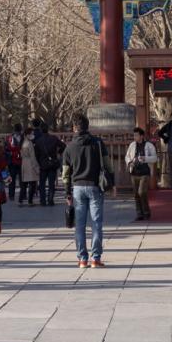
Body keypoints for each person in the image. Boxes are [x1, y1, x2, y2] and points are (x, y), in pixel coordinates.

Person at [62, 113, 112, 268]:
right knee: (96, 223)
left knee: (80, 225)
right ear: (88, 126)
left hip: (77, 188)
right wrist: (112, 183)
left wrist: (67, 192)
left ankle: (82, 259)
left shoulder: (69, 147)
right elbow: (108, 165)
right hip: (95, 186)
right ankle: (95, 258)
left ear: (74, 128)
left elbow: (65, 174)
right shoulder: (98, 143)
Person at [124, 127, 158, 221]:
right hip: (134, 172)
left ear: (141, 136)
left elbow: (155, 158)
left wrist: (145, 158)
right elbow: (127, 156)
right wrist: (129, 162)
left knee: (142, 192)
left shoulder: (149, 145)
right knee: (136, 194)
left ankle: (146, 212)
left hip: (145, 172)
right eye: (134, 135)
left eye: (136, 135)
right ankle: (139, 213)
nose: (134, 137)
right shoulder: (132, 145)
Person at [34, 122, 65, 207]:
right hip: (52, 163)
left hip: (43, 164)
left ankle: (43, 201)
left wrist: (39, 162)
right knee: (51, 183)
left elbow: (36, 154)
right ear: (47, 129)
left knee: (42, 184)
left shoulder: (38, 141)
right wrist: (58, 153)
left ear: (41, 130)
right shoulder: (54, 138)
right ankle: (50, 200)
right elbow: (63, 145)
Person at [4, 123, 24, 205]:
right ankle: (23, 195)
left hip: (12, 160)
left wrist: (10, 154)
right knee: (22, 179)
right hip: (21, 160)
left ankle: (11, 195)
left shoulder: (9, 138)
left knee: (12, 179)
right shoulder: (24, 137)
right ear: (21, 129)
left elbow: (5, 149)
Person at [19, 128, 40, 205]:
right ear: (27, 134)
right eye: (31, 133)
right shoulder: (29, 143)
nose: (33, 135)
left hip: (24, 163)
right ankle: (30, 201)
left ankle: (20, 200)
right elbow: (33, 156)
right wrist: (36, 167)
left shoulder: (22, 142)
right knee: (32, 183)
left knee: (24, 184)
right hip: (30, 164)